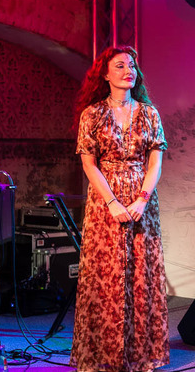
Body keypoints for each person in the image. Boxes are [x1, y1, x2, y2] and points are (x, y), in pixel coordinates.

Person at [70, 46, 170, 371]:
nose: (129, 71)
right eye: (120, 66)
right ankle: (103, 356)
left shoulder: (149, 113)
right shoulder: (92, 114)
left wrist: (142, 199)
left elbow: (155, 162)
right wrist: (113, 202)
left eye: (132, 66)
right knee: (105, 274)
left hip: (142, 201)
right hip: (105, 202)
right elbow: (89, 164)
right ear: (105, 74)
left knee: (141, 274)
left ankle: (141, 356)